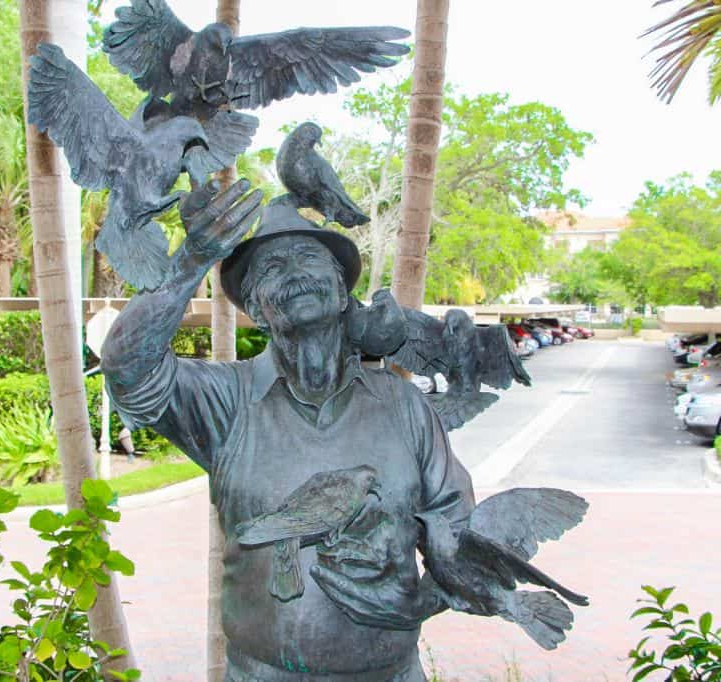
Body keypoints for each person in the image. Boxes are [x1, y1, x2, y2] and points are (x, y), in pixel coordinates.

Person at [101, 179, 476, 681]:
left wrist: (425, 599)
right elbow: (126, 367)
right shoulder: (225, 400)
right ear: (255, 308)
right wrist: (193, 258)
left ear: (343, 292)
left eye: (310, 259)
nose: (295, 274)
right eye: (272, 269)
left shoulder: (405, 405)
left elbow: (461, 533)